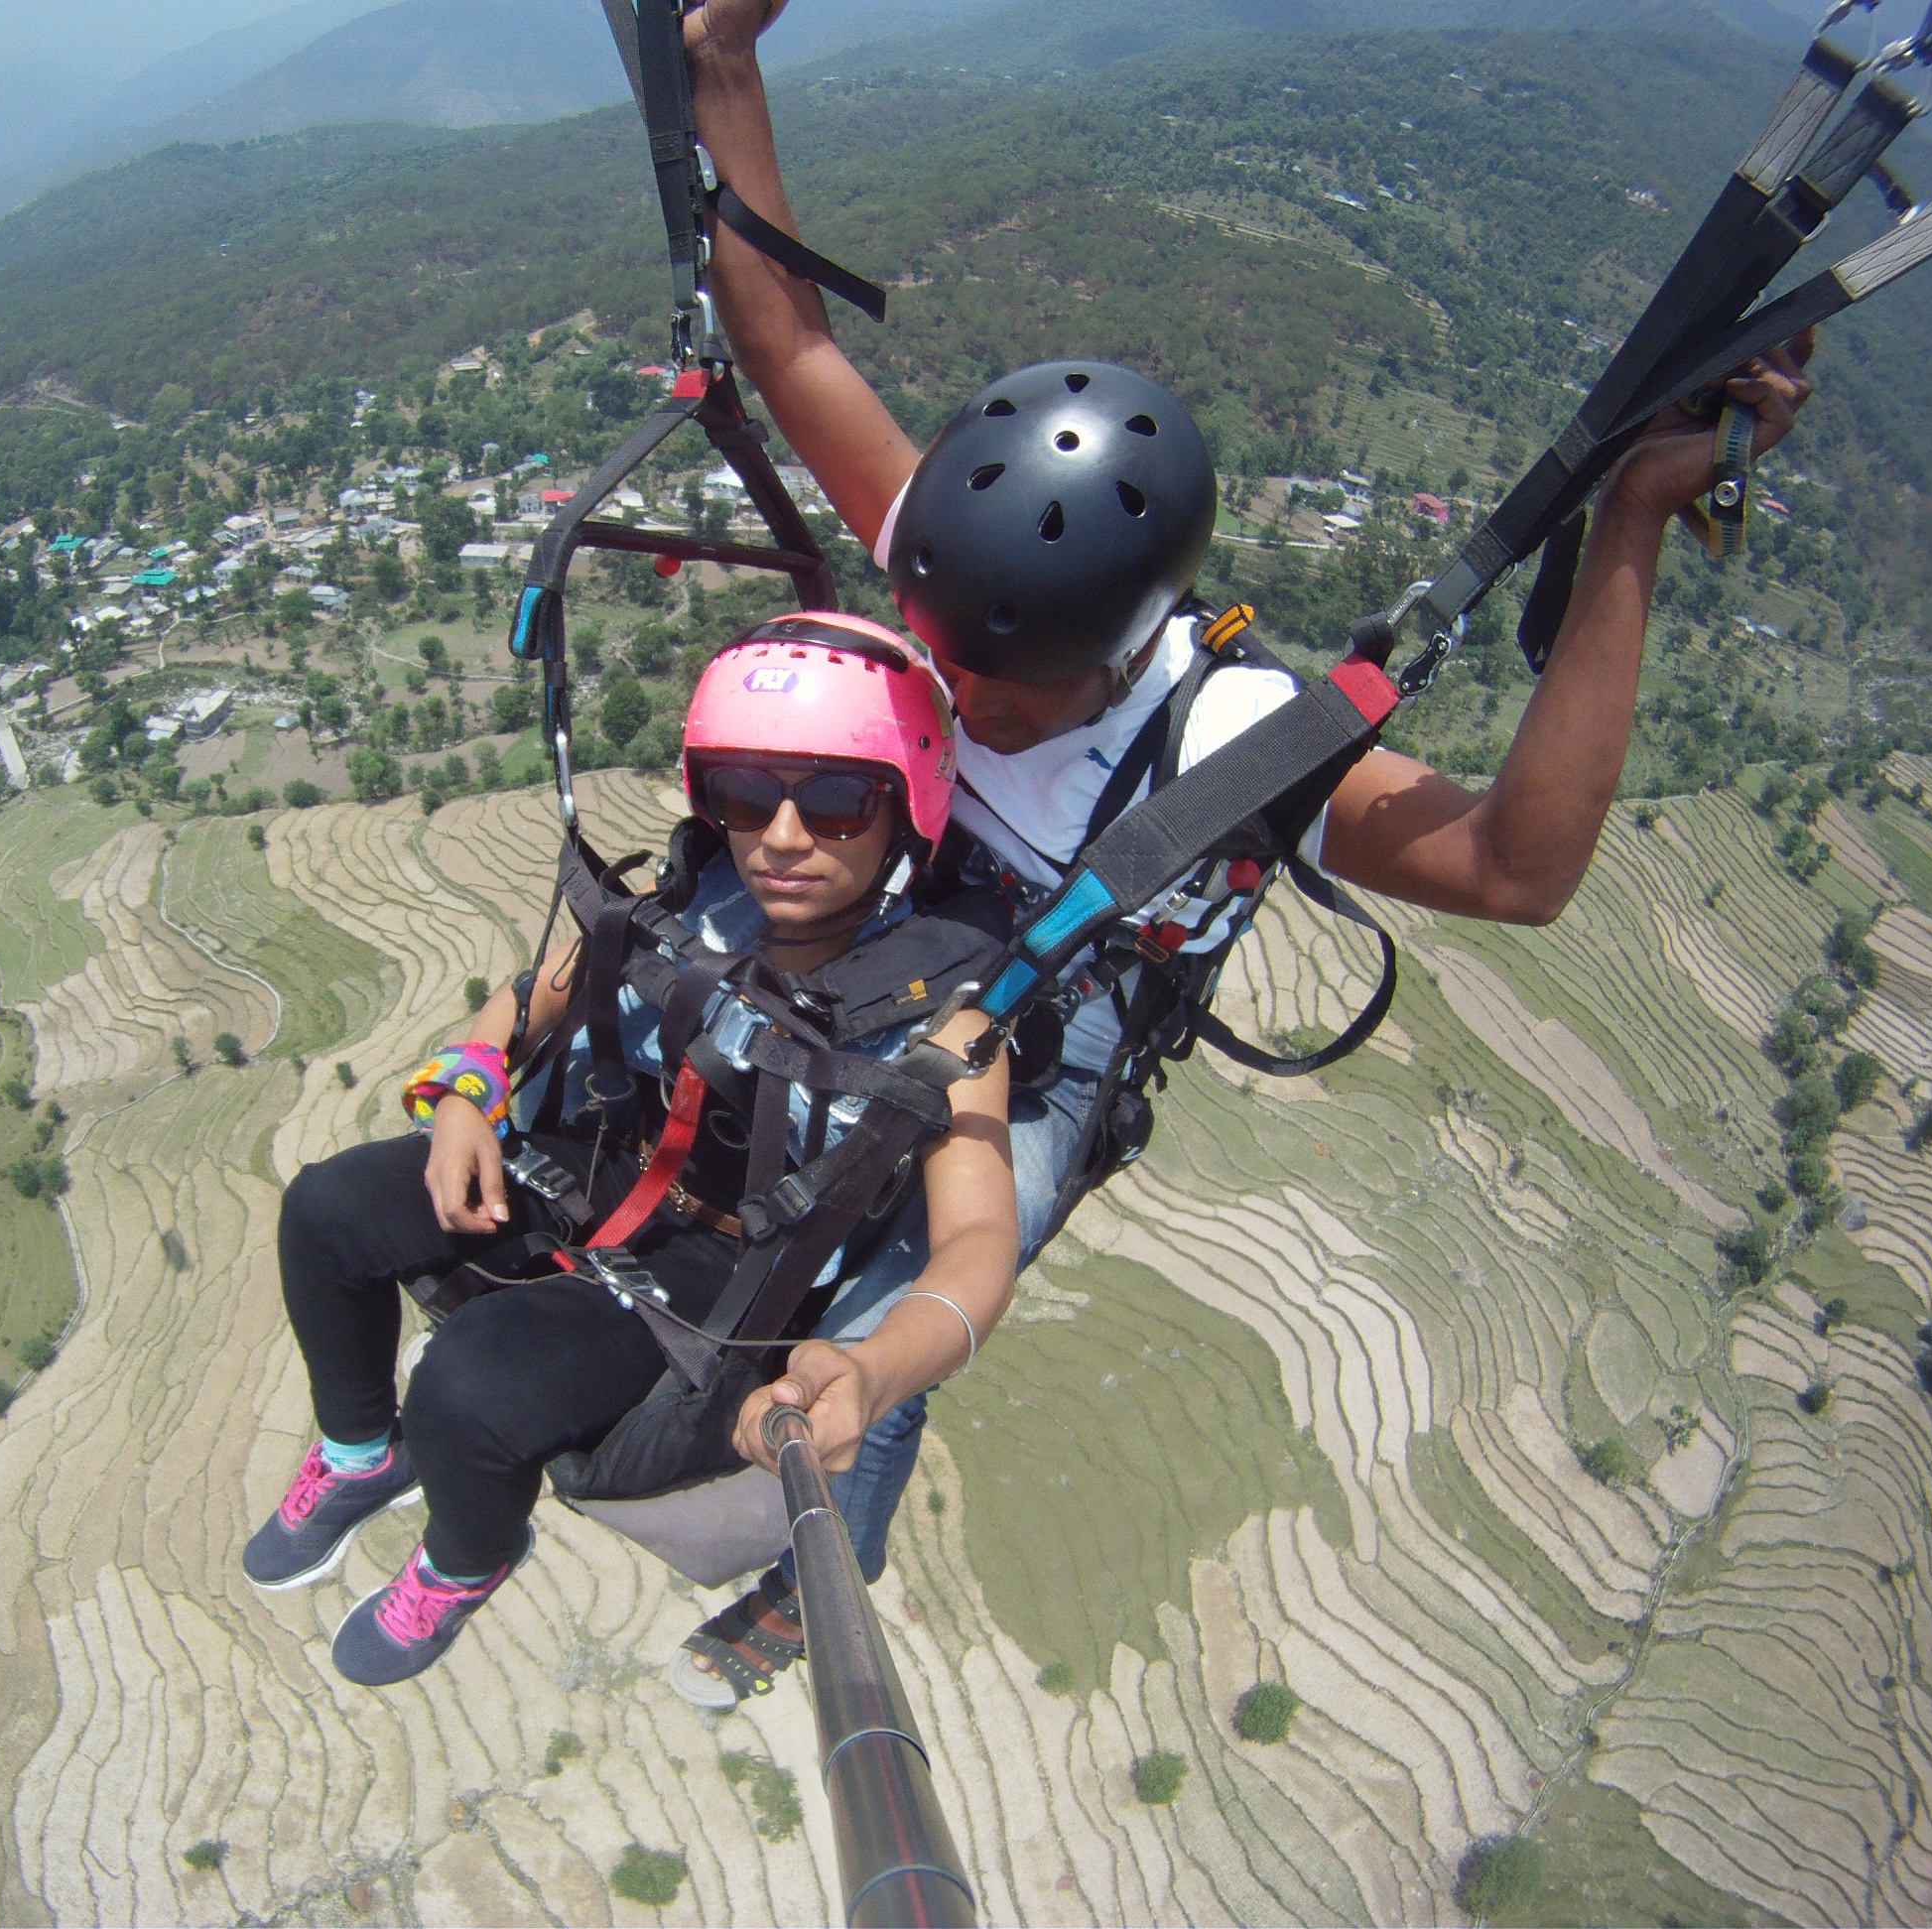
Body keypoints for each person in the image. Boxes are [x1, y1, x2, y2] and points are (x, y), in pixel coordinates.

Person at [664, 0, 1821, 1704]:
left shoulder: (1239, 743)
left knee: (889, 1280)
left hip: (1035, 1058)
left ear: (1112, 646)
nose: (957, 700)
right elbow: (789, 345)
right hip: (879, 940)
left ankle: (824, 1530)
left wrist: (1632, 517)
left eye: (1000, 687)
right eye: (945, 655)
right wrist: (725, 67)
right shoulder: (962, 555)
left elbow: (1515, 863)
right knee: (651, 998)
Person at [242, 612, 1019, 1687]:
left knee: (468, 1386)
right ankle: (359, 1452)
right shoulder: (693, 901)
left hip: (717, 1268)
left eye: (839, 800)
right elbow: (528, 1002)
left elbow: (980, 1240)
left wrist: (875, 1368)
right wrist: (467, 1091)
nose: (783, 837)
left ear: (908, 811)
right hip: (594, 1161)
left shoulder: (950, 1025)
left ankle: (465, 1559)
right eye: (749, 794)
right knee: (325, 1211)